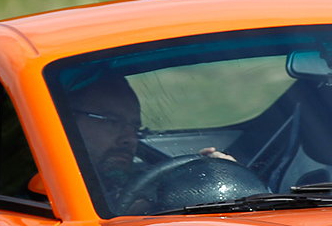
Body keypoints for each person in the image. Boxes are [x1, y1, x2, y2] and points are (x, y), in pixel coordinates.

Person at [62, 71, 236, 212]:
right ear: (69, 121)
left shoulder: (126, 181)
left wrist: (198, 178)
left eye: (136, 129)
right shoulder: (45, 190)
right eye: (113, 122)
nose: (130, 139)